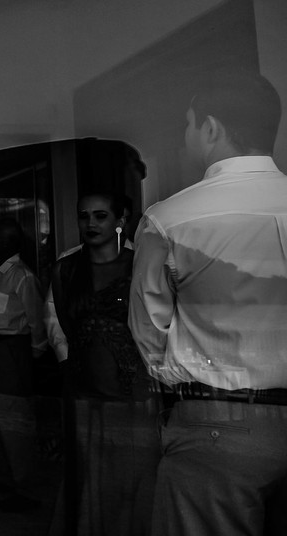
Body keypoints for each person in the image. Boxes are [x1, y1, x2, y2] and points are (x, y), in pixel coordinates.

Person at [128, 70, 287, 536]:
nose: (186, 134)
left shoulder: (171, 219)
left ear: (211, 128)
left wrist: (183, 380)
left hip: (219, 423)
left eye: (189, 123)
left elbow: (149, 334)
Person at [45, 191, 158, 536]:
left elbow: (155, 327)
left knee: (129, 480)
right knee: (85, 479)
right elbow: (65, 324)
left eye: (100, 216)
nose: (91, 223)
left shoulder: (140, 266)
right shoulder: (65, 269)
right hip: (82, 389)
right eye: (84, 216)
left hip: (131, 391)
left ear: (120, 221)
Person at [0, 218, 46, 513]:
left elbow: (37, 321)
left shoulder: (22, 276)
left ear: (12, 243)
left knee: (13, 420)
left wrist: (30, 358)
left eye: (0, 239)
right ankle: (1, 476)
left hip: (10, 350)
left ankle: (25, 486)